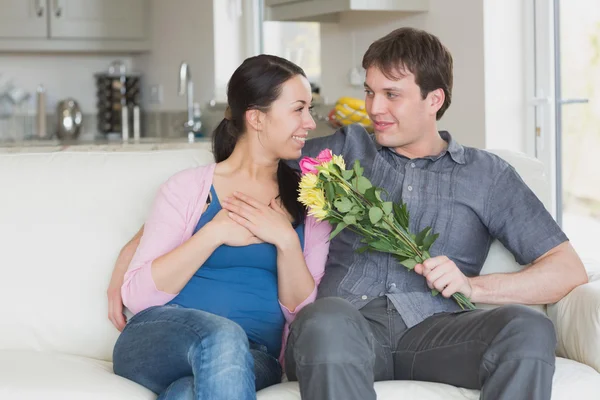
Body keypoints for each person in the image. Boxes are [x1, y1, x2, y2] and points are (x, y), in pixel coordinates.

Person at [109, 28, 588, 400]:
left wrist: (475, 288)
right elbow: (235, 176)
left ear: (434, 100)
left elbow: (566, 270)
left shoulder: (488, 174)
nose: (373, 108)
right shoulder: (340, 151)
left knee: (528, 328)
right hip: (343, 327)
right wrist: (128, 266)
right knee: (323, 319)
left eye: (392, 95)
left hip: (437, 331)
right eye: (370, 91)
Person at [110, 54, 330, 400]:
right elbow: (138, 296)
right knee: (223, 336)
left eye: (310, 109)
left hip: (256, 356)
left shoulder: (310, 201)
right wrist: (214, 233)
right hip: (160, 336)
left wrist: (286, 240)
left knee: (187, 393)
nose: (310, 123)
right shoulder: (187, 189)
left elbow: (303, 314)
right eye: (298, 109)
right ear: (256, 118)